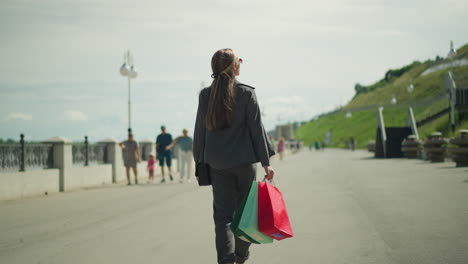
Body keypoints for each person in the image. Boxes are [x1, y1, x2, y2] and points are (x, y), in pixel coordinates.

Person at [193, 48, 275, 264]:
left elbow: (199, 132)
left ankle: (226, 261)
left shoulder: (205, 95)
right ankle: (240, 256)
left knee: (223, 218)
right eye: (239, 59)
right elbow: (257, 130)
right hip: (245, 163)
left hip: (217, 165)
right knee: (246, 213)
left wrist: (198, 162)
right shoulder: (247, 93)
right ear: (233, 66)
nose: (241, 62)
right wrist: (266, 163)